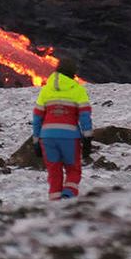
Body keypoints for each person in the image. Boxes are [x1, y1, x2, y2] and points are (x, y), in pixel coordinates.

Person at [32, 56, 93, 200]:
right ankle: (68, 196)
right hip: (70, 138)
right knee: (73, 171)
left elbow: (37, 118)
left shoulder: (46, 90)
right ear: (73, 73)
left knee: (54, 174)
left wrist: (36, 141)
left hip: (47, 138)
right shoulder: (78, 90)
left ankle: (55, 206)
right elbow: (85, 117)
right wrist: (88, 138)